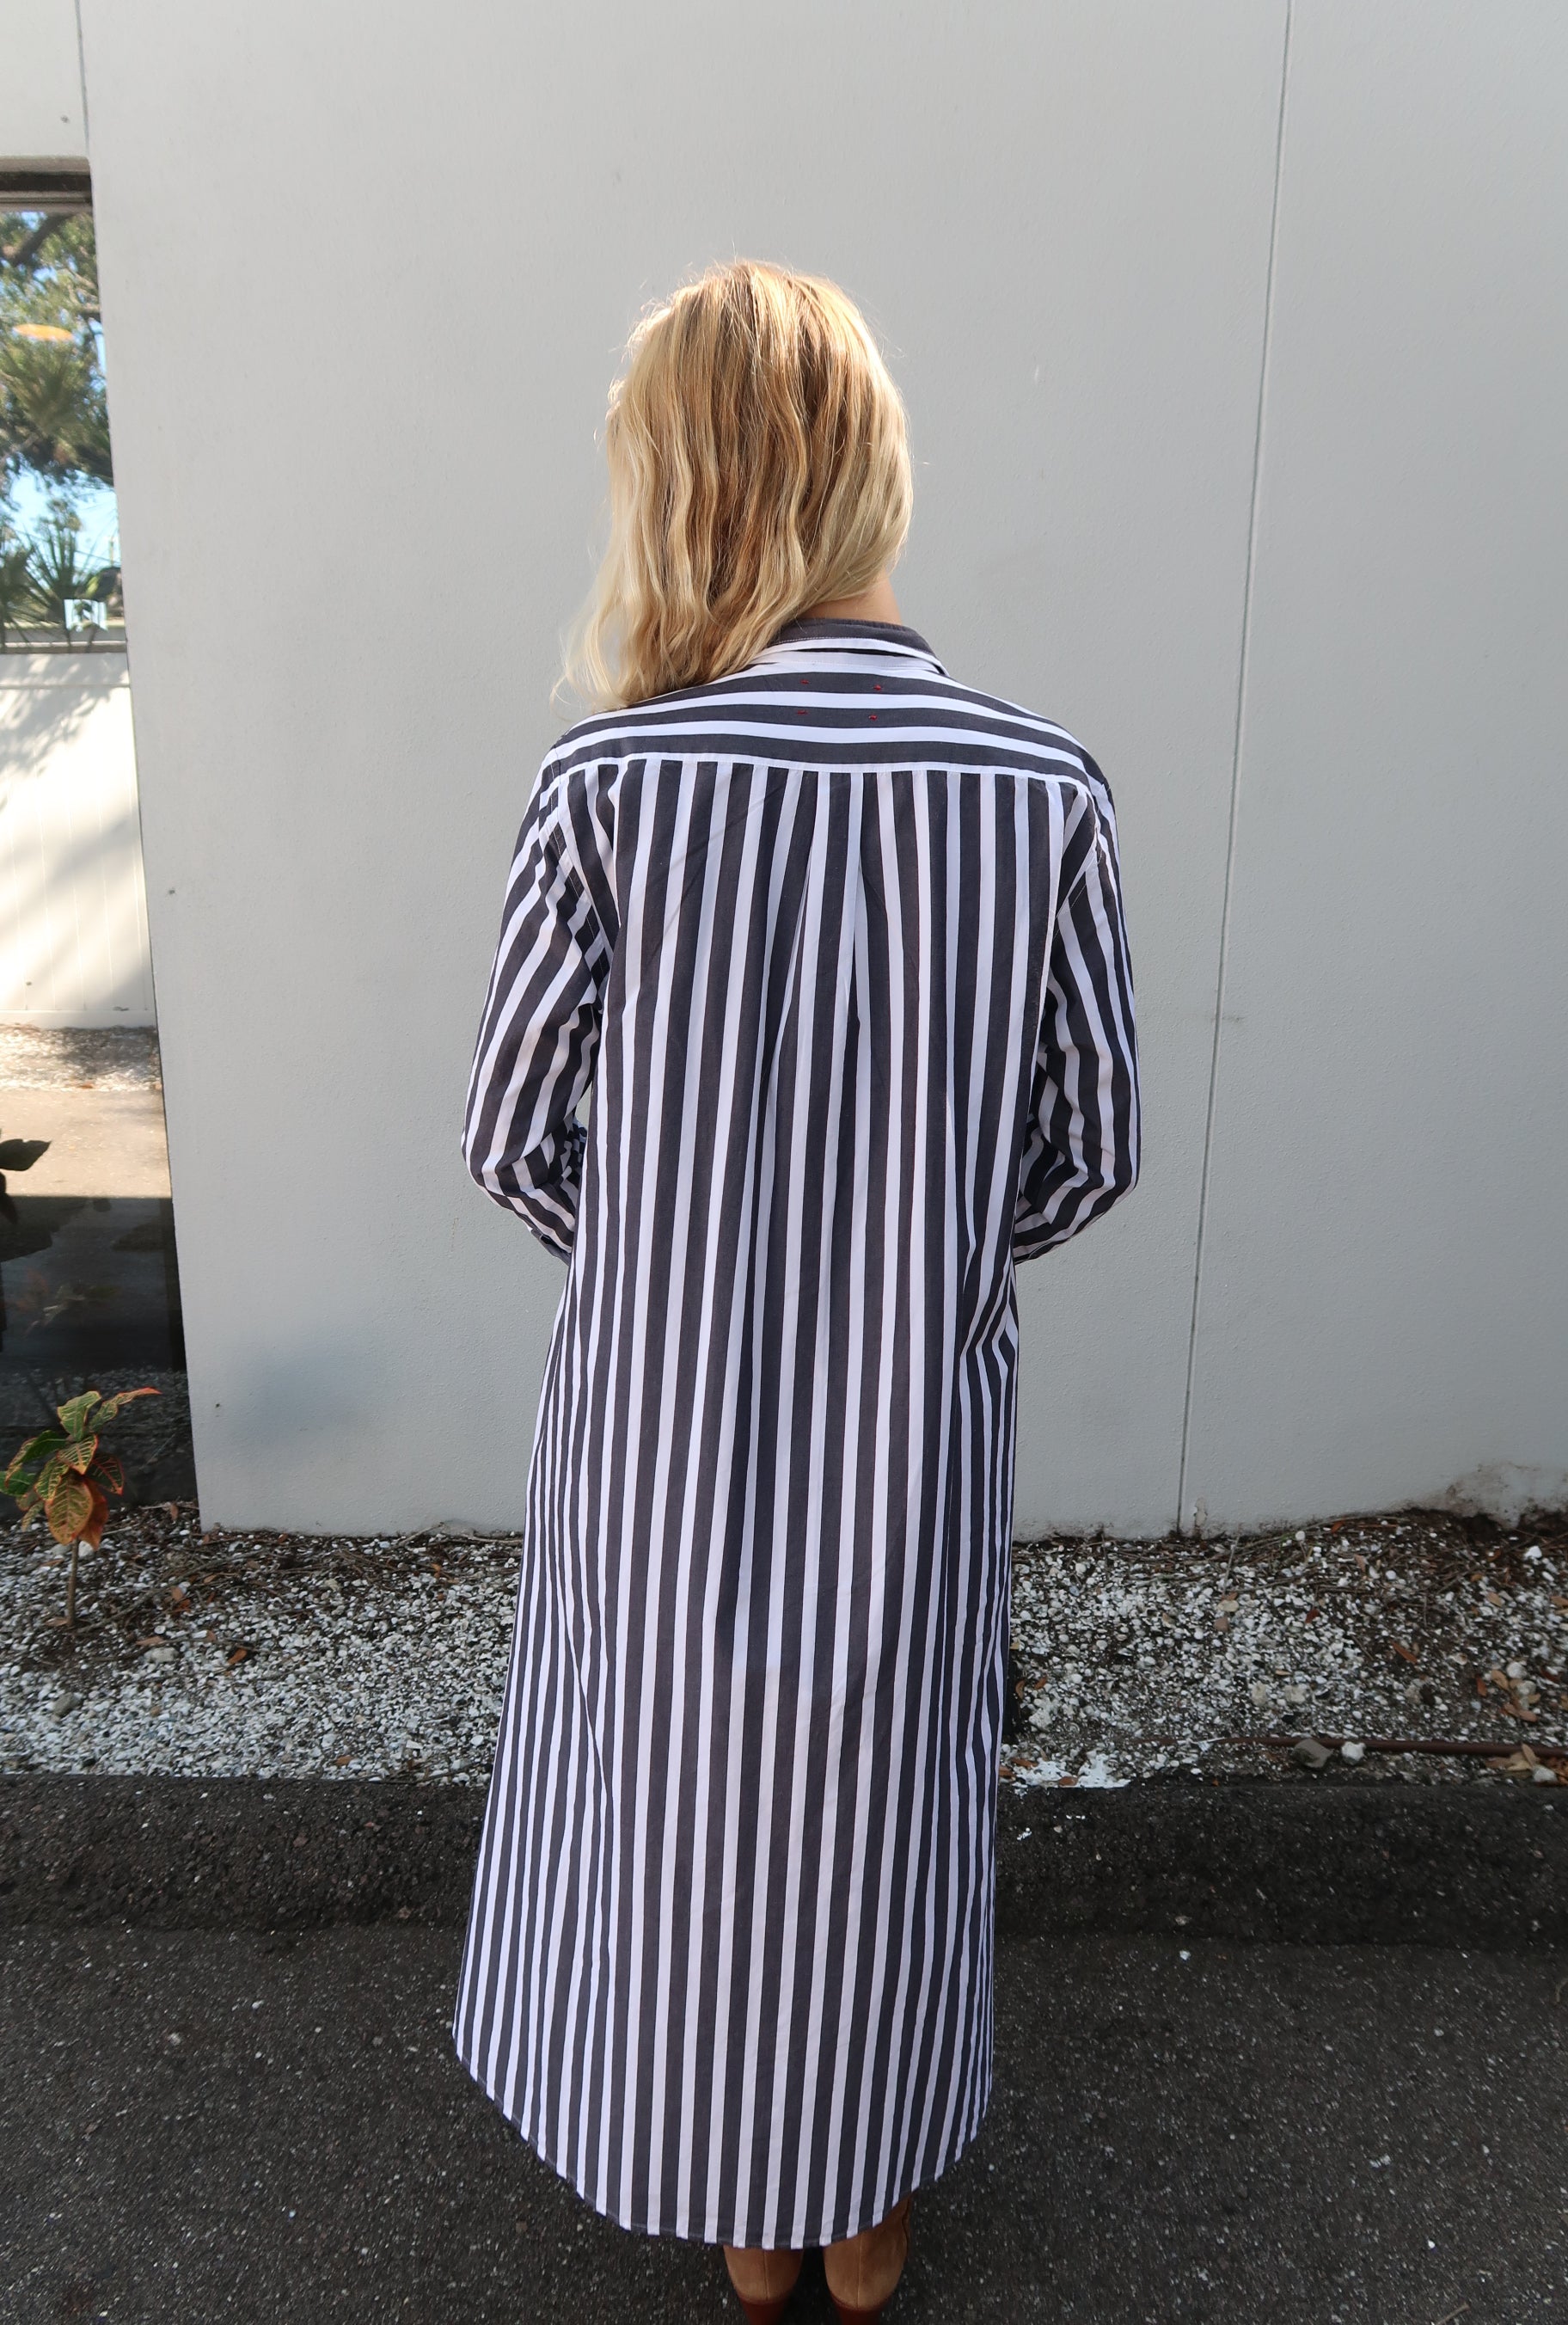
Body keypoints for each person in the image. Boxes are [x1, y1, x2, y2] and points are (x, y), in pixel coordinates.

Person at [455, 261, 1140, 2323]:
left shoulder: (610, 788)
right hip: (907, 1433)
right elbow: (1084, 1147)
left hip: (659, 1423)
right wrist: (893, 1263)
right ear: (870, 483)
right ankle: (865, 2206)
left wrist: (690, 1265)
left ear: (674, 487)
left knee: (678, 1785)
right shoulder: (1040, 790)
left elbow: (509, 1134)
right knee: (873, 1784)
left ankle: (737, 2195)